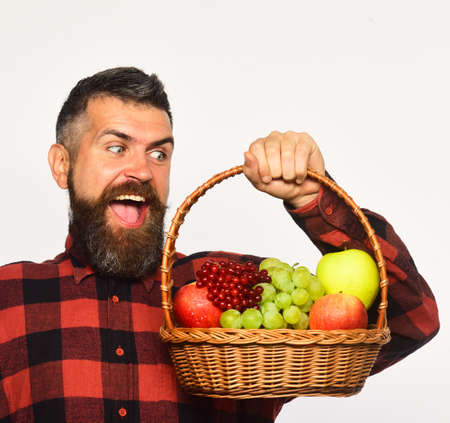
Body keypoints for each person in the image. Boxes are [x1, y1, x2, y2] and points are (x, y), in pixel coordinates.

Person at [0, 67, 439, 423]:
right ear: (63, 165)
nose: (142, 171)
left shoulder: (230, 290)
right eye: (117, 148)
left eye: (159, 153)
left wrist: (311, 197)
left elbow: (411, 318)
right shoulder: (10, 298)